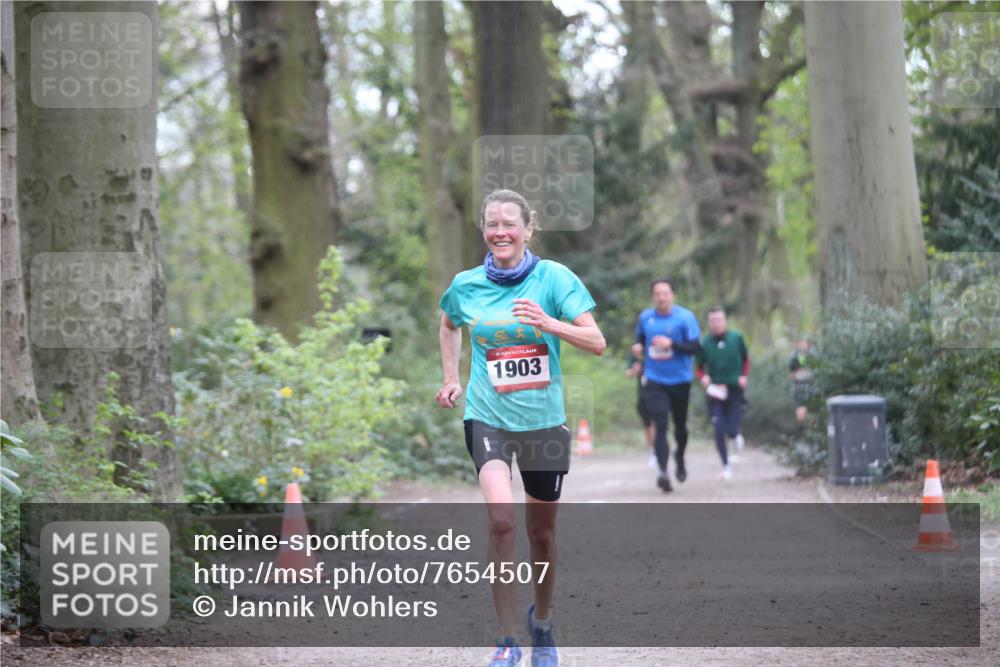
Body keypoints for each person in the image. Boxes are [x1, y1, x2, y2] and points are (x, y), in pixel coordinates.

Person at [436, 189, 606, 667]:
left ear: (529, 229)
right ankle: (508, 639)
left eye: (510, 223)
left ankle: (543, 623)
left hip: (543, 423)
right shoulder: (466, 285)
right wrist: (452, 377)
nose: (500, 231)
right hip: (487, 415)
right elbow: (449, 323)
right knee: (502, 521)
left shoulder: (554, 278)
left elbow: (597, 341)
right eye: (492, 223)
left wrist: (550, 323)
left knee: (542, 534)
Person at [631, 279, 701, 492]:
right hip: (655, 380)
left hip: (680, 381)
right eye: (658, 293)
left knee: (680, 426)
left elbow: (696, 348)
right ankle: (663, 472)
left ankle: (679, 456)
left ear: (673, 295)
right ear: (653, 296)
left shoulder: (685, 317)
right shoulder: (646, 318)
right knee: (660, 425)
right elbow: (640, 342)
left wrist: (671, 344)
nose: (662, 297)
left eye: (665, 293)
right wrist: (637, 350)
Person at [696, 306, 750, 481]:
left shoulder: (737, 338)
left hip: (734, 389)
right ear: (709, 323)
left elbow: (746, 359)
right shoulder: (705, 342)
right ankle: (726, 466)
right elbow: (699, 367)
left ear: (725, 320)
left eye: (719, 320)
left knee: (732, 428)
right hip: (715, 392)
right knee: (719, 429)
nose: (716, 324)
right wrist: (703, 377)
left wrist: (744, 376)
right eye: (712, 321)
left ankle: (736, 434)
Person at [625, 353, 656, 467]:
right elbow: (628, 374)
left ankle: (660, 450)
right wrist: (634, 370)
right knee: (647, 424)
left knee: (657, 422)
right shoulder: (636, 351)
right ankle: (653, 451)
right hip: (643, 395)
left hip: (658, 392)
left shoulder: (657, 347)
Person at [789, 337, 814, 427]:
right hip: (800, 388)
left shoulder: (813, 356)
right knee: (801, 411)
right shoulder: (794, 356)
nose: (803, 345)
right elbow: (792, 375)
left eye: (805, 343)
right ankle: (802, 430)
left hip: (812, 389)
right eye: (801, 343)